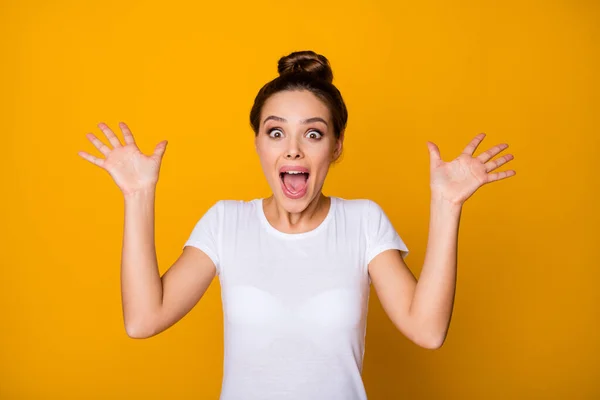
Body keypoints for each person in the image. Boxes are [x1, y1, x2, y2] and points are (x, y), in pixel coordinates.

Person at [78, 50, 516, 400]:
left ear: (336, 146)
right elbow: (143, 320)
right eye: (275, 132)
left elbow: (428, 330)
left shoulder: (363, 221)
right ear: (258, 144)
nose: (292, 151)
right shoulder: (225, 222)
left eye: (312, 133)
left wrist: (445, 204)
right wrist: (137, 196)